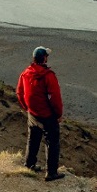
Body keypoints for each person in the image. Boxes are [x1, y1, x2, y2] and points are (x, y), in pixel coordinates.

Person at [16, 46, 65, 181]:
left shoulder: (25, 73)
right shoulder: (48, 76)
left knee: (33, 138)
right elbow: (55, 97)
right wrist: (58, 114)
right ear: (44, 58)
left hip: (33, 113)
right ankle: (51, 172)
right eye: (46, 56)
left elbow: (19, 92)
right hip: (47, 115)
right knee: (52, 142)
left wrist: (27, 108)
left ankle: (29, 164)